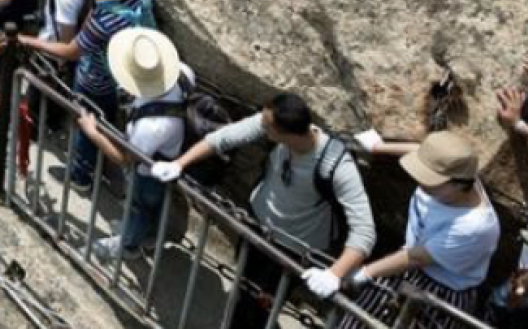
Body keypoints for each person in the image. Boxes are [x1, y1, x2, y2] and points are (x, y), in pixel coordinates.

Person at [151, 92, 376, 327]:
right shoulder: (277, 128)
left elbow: (364, 231)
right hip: (257, 227)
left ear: (285, 133)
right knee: (245, 284)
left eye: (267, 127)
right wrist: (179, 163)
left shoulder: (337, 166)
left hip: (292, 248)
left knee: (261, 305)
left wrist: (334, 273)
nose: (261, 127)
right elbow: (223, 138)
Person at [20, 0, 155, 191]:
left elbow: (71, 51)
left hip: (97, 80)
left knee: (86, 122)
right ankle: (96, 160)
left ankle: (81, 176)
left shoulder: (103, 21)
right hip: (125, 77)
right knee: (105, 121)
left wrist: (30, 41)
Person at [340, 131, 499, 329]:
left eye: (431, 180)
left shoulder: (474, 226)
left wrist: (364, 274)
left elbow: (418, 257)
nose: (422, 183)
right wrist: (378, 147)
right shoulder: (457, 174)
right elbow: (422, 151)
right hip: (404, 265)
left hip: (439, 290)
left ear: (459, 184)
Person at [77, 28, 185, 261]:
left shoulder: (153, 126)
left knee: (141, 207)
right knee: (141, 206)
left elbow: (123, 158)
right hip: (156, 160)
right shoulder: (180, 75)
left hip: (149, 174)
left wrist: (92, 132)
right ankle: (139, 233)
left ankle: (128, 245)